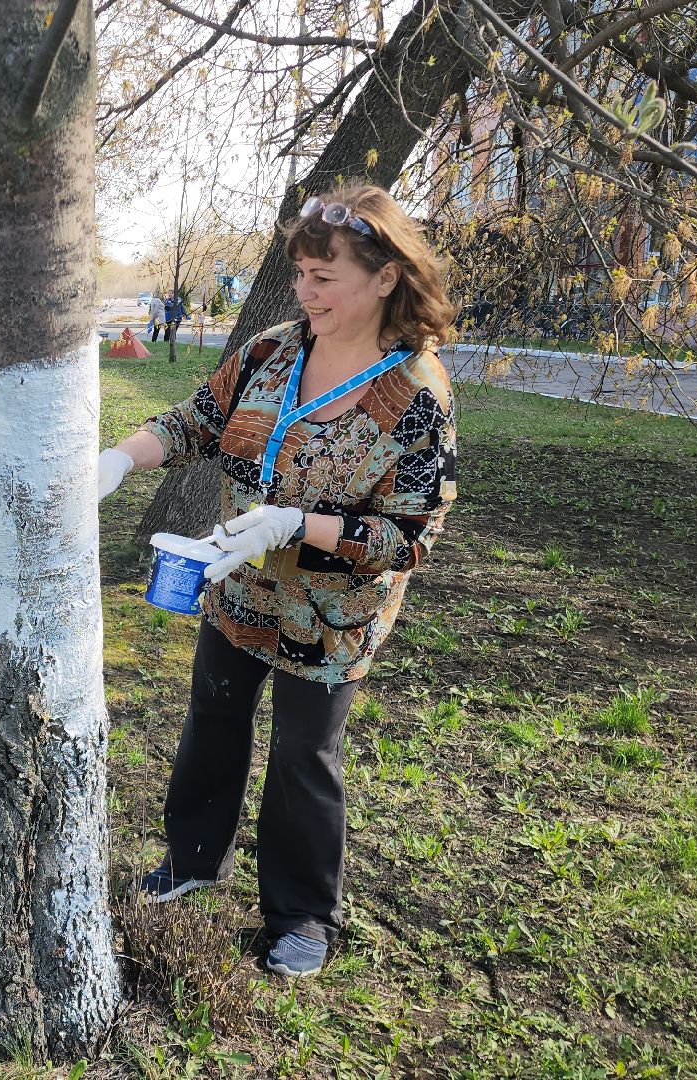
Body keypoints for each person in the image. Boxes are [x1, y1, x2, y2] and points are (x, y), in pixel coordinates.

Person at [95, 183, 458, 979]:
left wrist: (298, 524)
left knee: (304, 757)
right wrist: (119, 458)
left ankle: (301, 918)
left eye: (323, 278)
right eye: (299, 274)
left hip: (331, 615)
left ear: (385, 277)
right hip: (237, 589)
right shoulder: (274, 350)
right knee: (213, 720)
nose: (304, 292)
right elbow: (195, 419)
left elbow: (408, 538)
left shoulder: (417, 398)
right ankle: (192, 858)